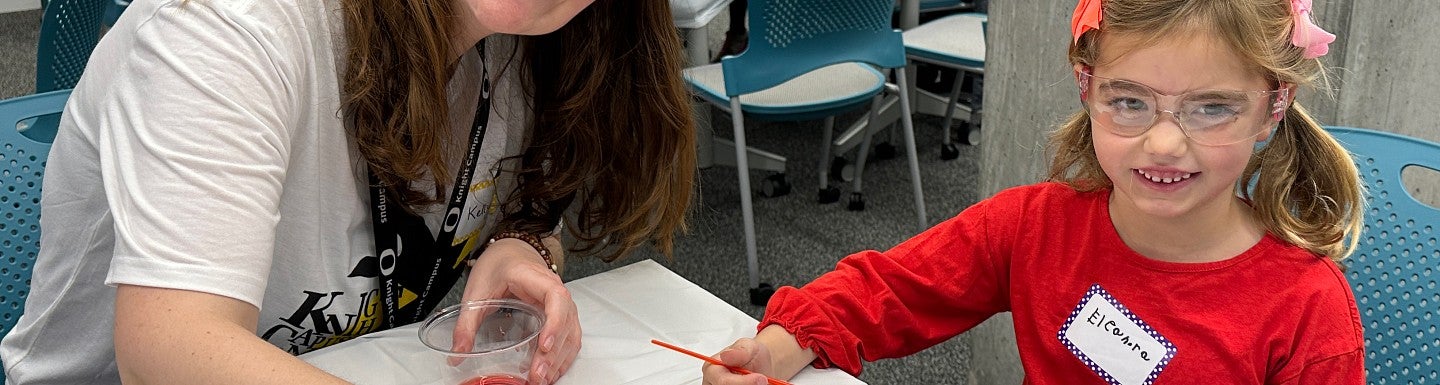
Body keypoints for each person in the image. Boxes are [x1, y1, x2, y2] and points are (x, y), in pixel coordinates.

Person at [0, 0, 695, 383]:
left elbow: (529, 205)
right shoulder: (232, 26)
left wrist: (522, 249)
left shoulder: (530, 43)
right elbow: (169, 348)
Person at [702, 0, 1366, 383]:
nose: (1164, 144)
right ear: (1087, 86)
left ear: (1272, 107)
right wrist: (781, 346)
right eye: (1129, 101)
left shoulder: (1307, 310)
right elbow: (891, 289)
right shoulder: (1036, 225)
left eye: (1212, 107)